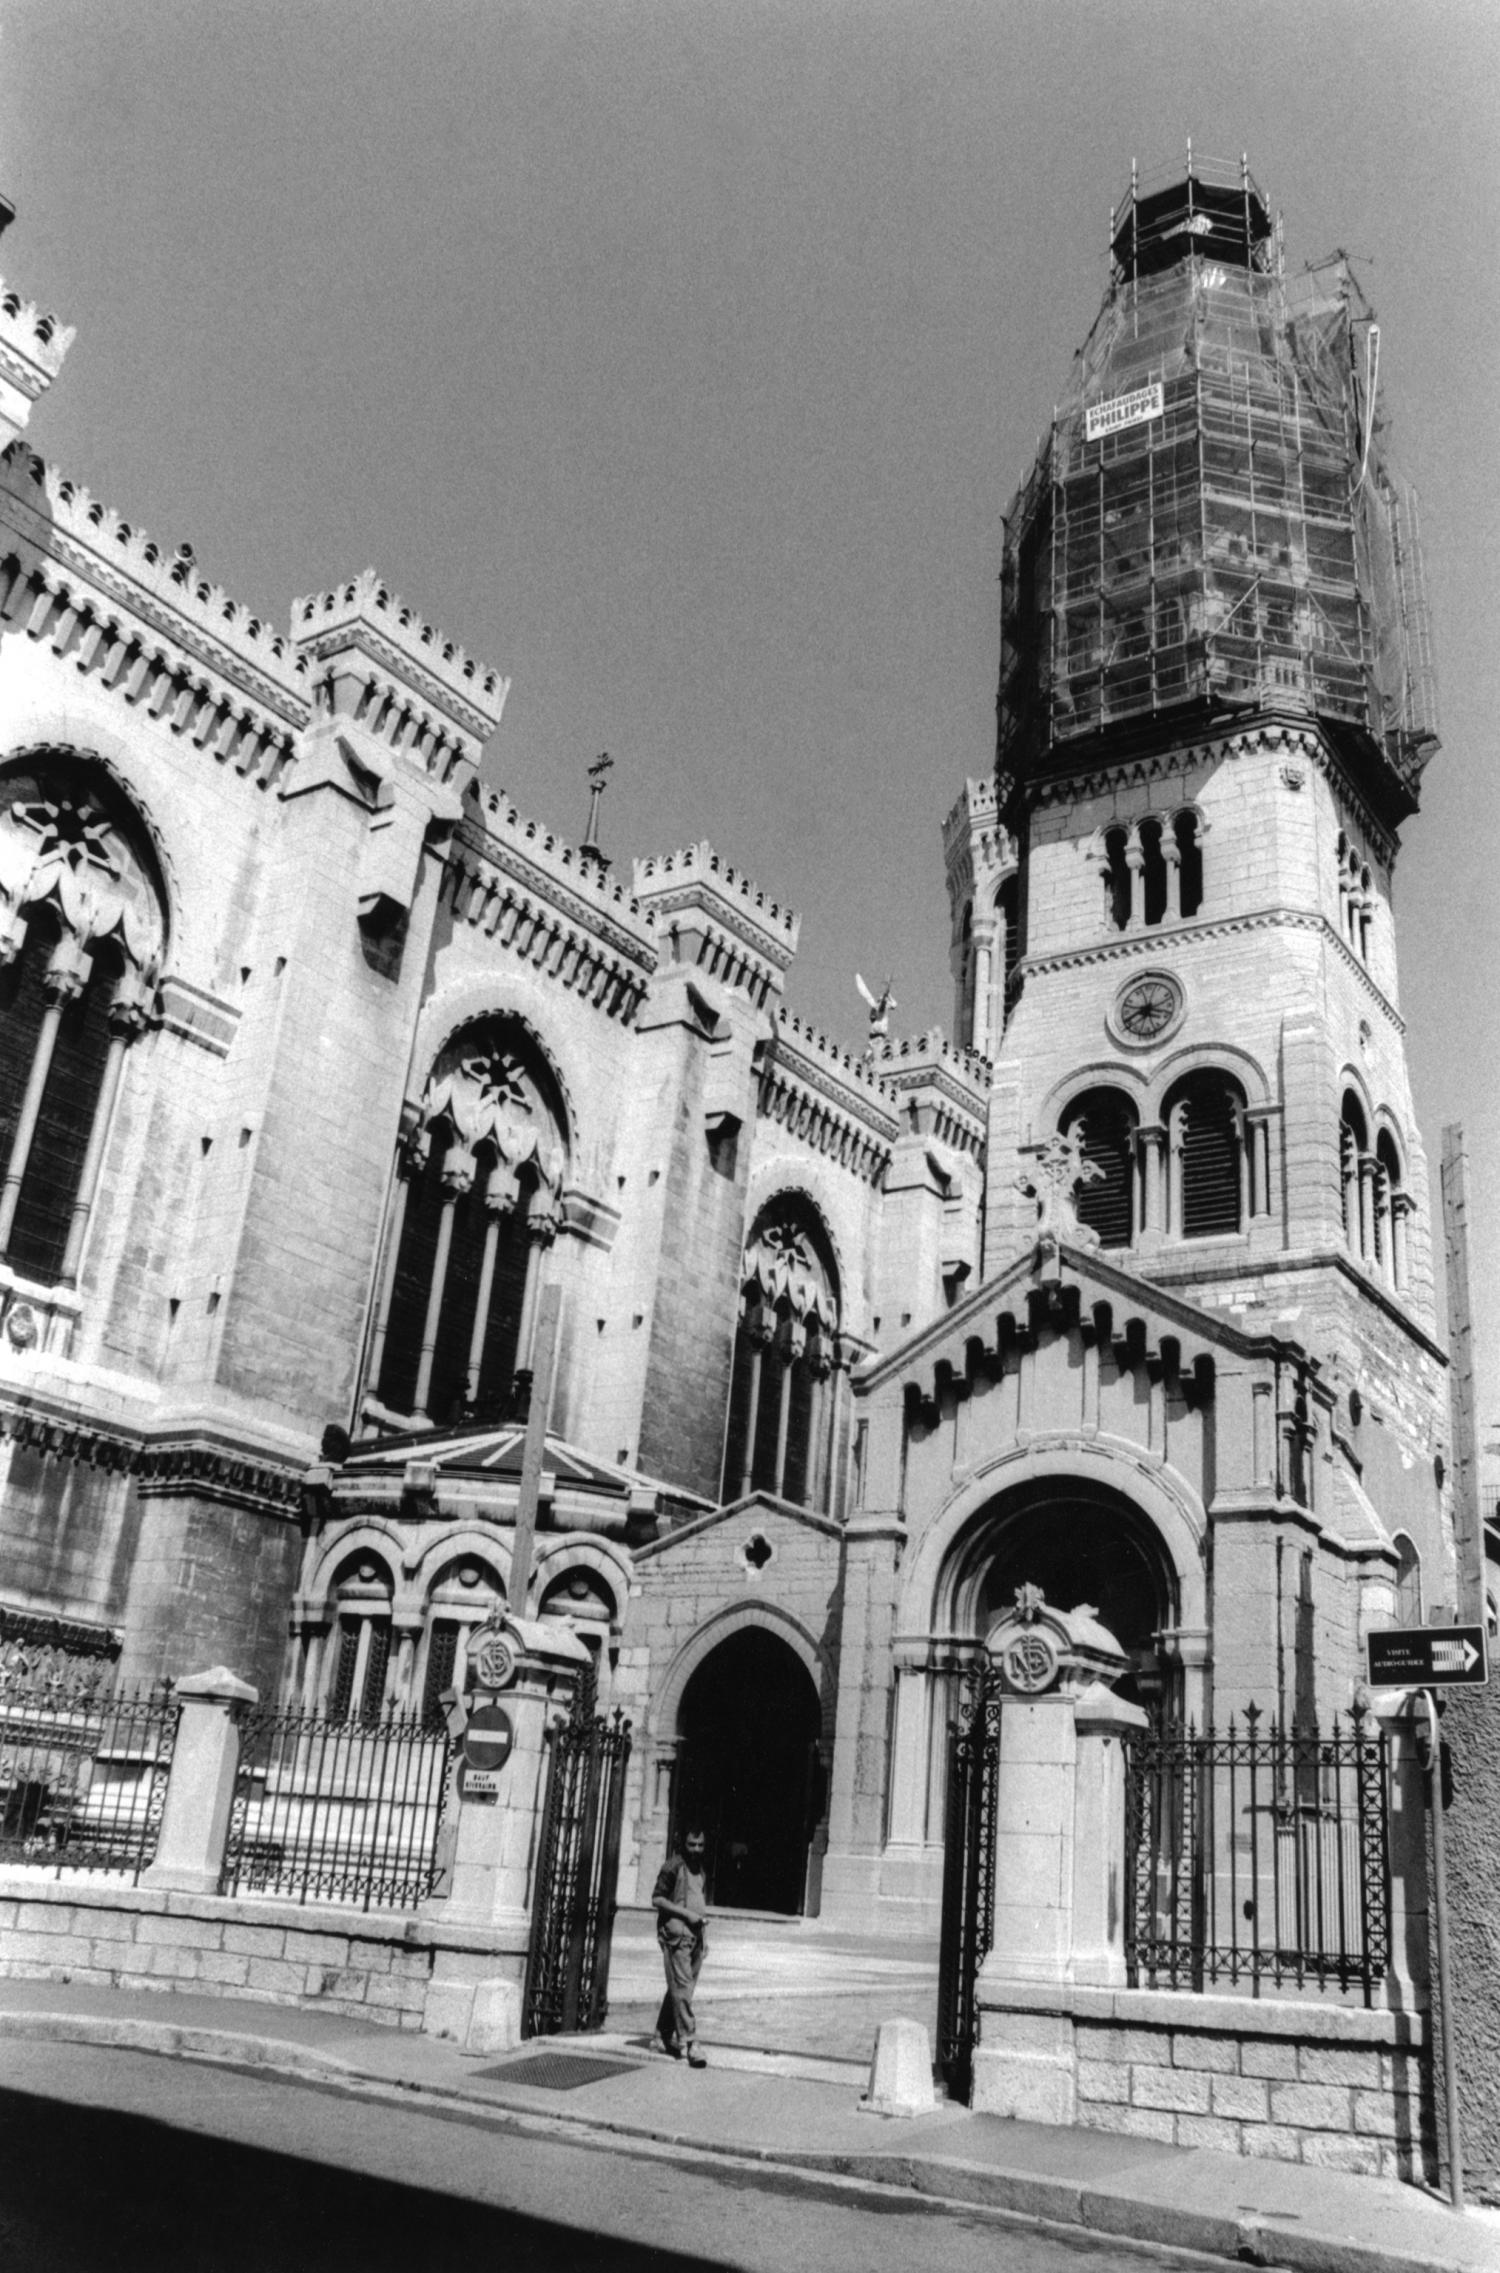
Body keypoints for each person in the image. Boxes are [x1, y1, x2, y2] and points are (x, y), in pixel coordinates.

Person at [652, 1826, 708, 2066]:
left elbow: (699, 1903)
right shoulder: (673, 1866)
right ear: (682, 1844)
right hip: (676, 1936)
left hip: (695, 1937)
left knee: (681, 1988)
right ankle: (690, 2041)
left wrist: (705, 1939)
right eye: (691, 1845)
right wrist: (685, 1914)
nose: (696, 1850)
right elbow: (657, 1898)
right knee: (683, 1987)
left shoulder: (700, 1871)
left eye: (700, 1845)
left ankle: (660, 2036)